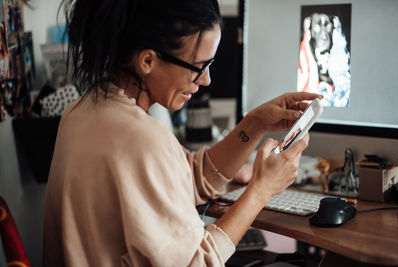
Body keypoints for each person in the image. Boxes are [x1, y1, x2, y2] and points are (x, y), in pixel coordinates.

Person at [43, 0, 322, 266]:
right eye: (198, 67)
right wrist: (262, 190)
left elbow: (188, 180)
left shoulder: (80, 111)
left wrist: (255, 123)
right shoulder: (142, 139)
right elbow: (198, 263)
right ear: (148, 61)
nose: (206, 80)